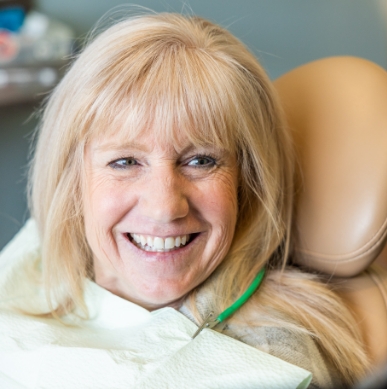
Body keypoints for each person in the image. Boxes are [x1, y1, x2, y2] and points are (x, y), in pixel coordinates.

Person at [0, 12, 373, 388]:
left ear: (248, 183)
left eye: (200, 161)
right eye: (126, 161)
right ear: (72, 178)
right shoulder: (36, 259)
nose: (164, 208)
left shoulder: (271, 359)